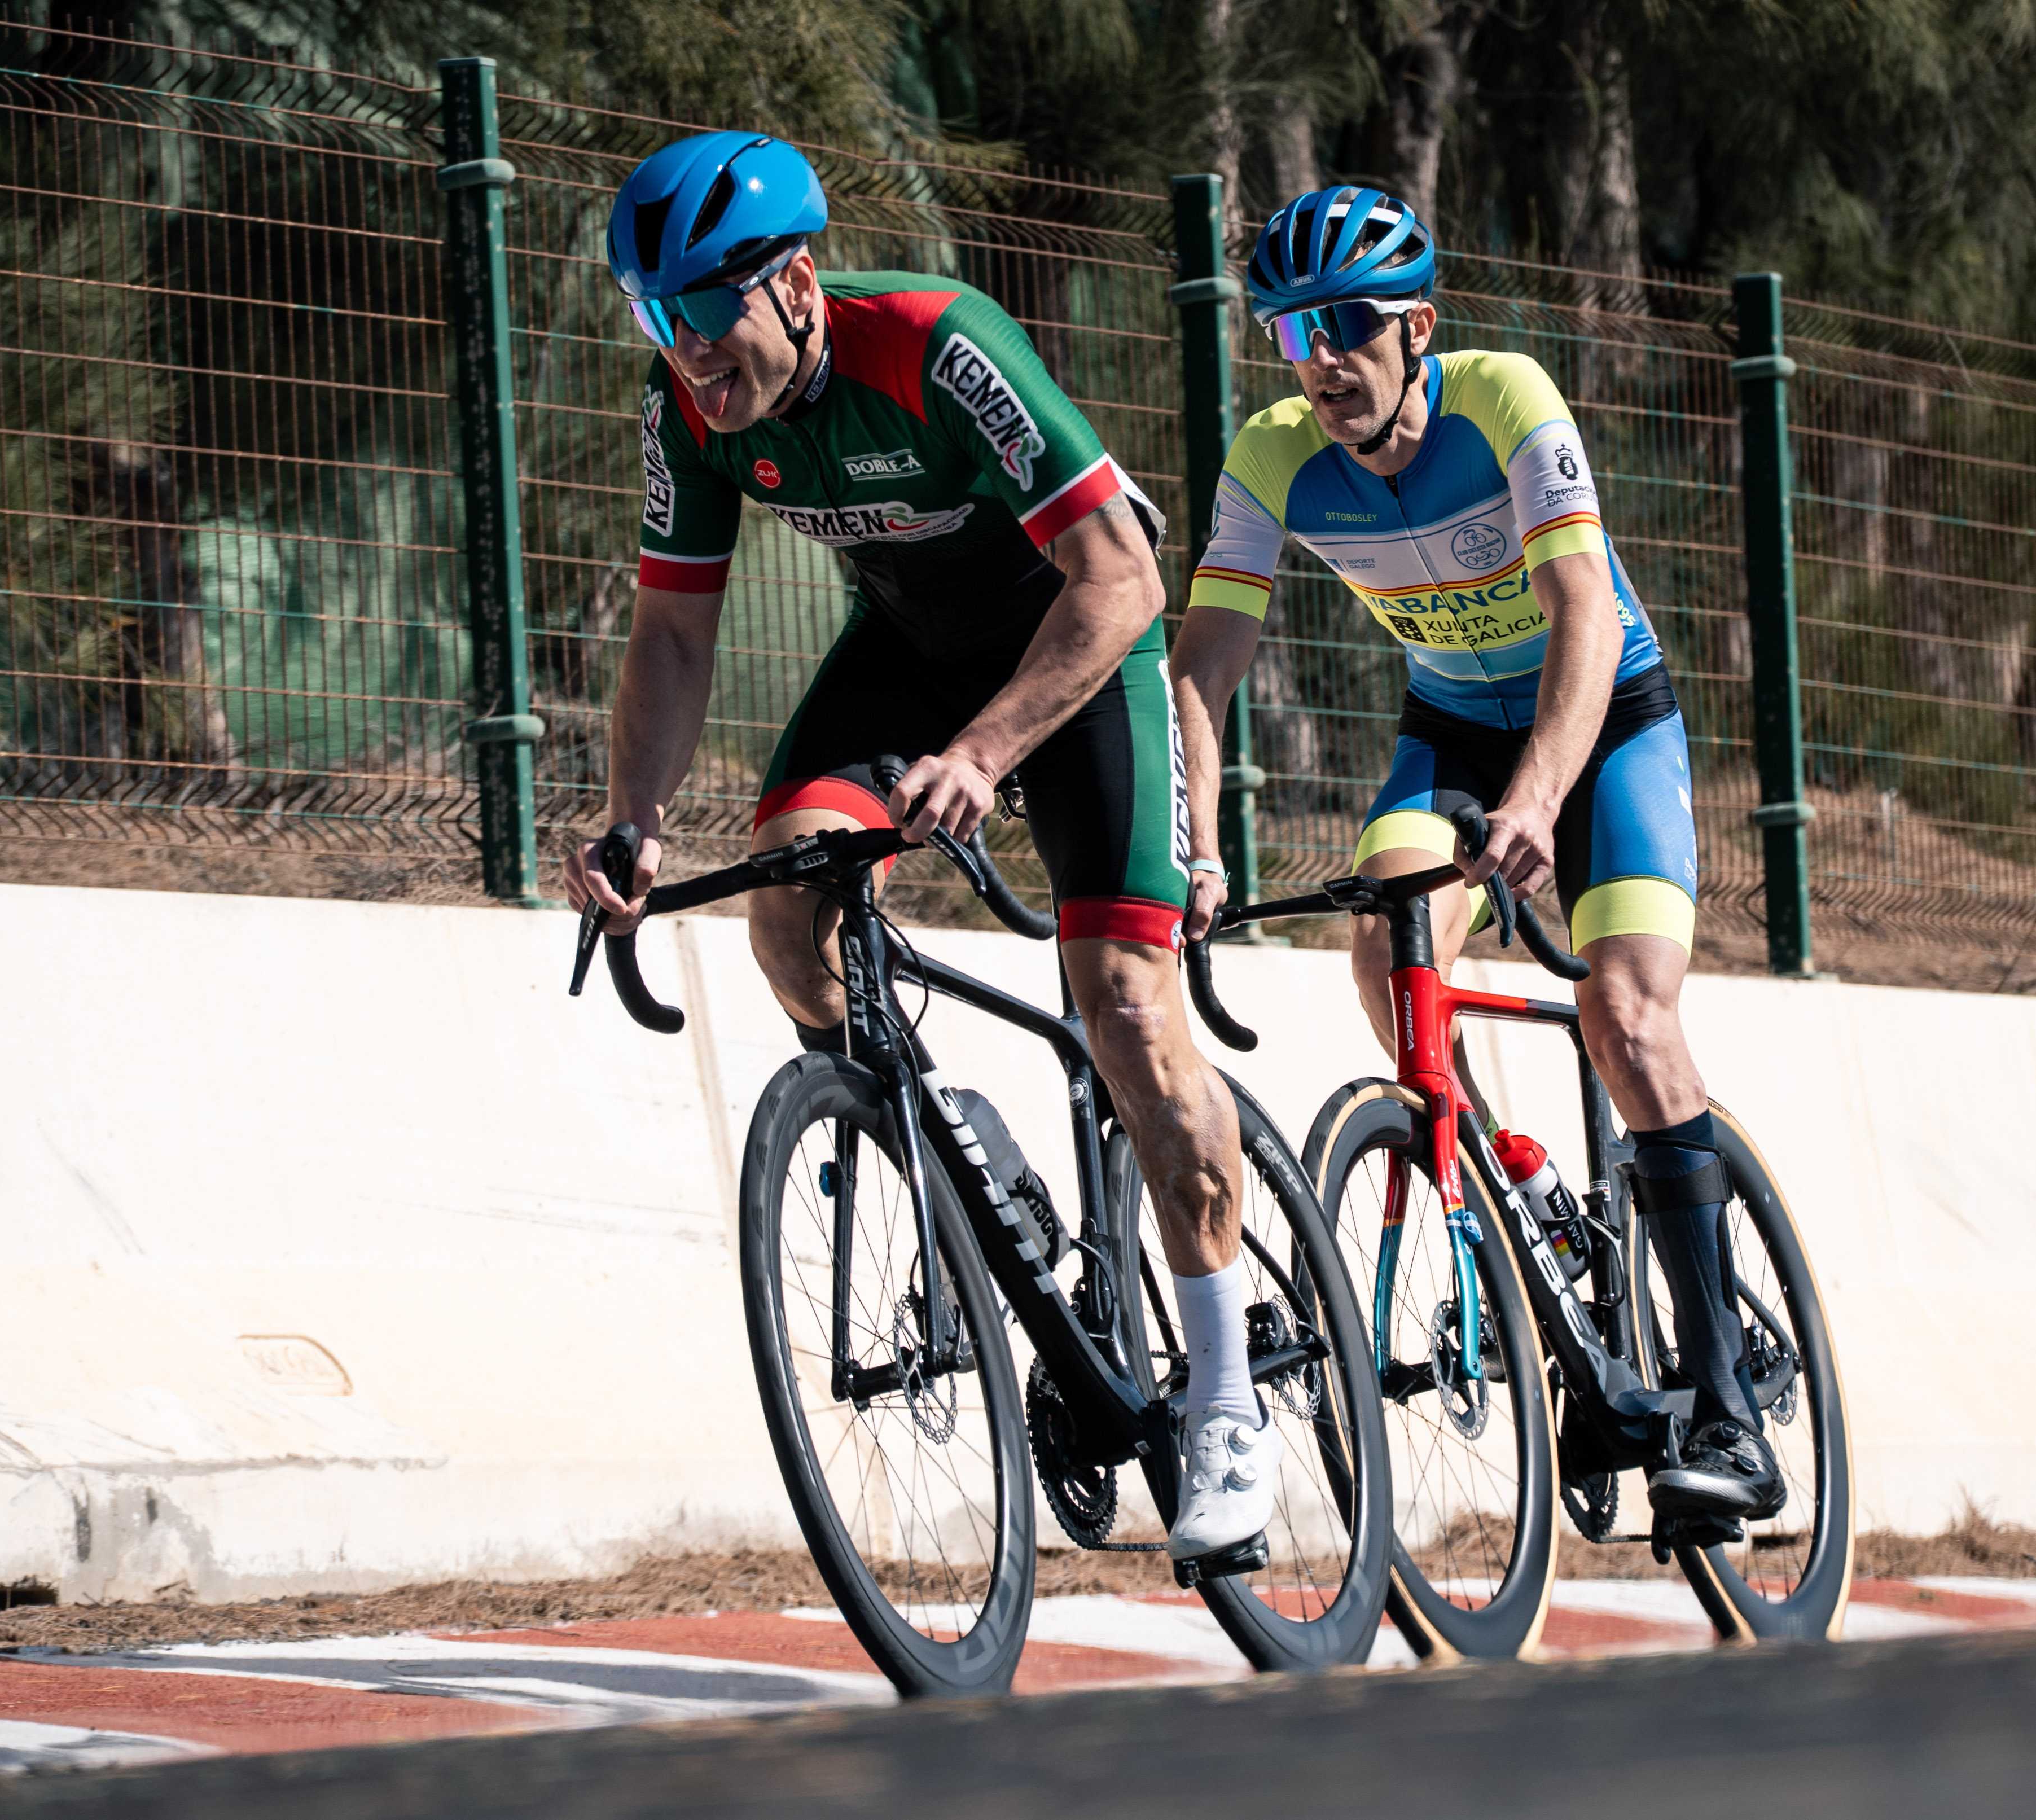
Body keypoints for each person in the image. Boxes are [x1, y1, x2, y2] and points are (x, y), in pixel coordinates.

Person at [564, 130, 1279, 1562]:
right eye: (654, 315)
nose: (686, 348)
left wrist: (987, 750)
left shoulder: (939, 345)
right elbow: (674, 632)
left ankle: (1223, 1399)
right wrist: (633, 820)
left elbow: (1122, 579)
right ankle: (963, 1146)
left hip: (1080, 652)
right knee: (789, 916)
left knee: (1127, 1006)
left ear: (795, 285)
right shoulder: (688, 413)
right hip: (909, 653)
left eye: (703, 308)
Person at [1167, 185, 1783, 1525]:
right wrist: (1191, 847)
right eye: (1292, 333)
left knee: (1625, 1015)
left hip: (1605, 719)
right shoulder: (1271, 454)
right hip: (1448, 726)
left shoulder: (1505, 399)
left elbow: (1580, 609)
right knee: (1387, 956)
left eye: (1348, 324)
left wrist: (1541, 797)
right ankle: (1528, 1202)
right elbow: (1201, 665)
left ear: (1418, 328)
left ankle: (1728, 1405)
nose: (1321, 357)